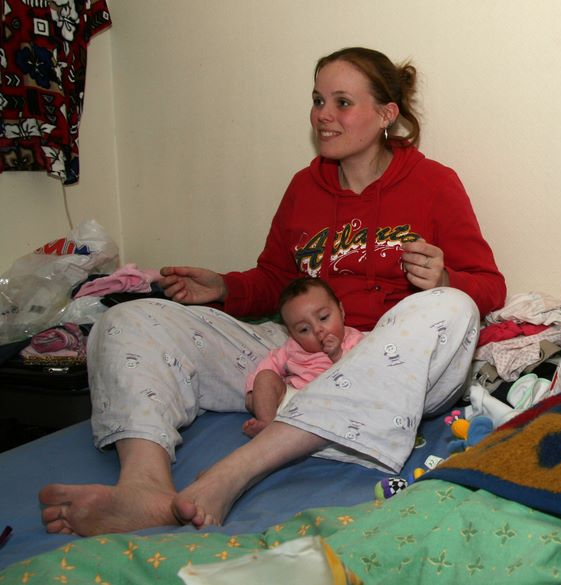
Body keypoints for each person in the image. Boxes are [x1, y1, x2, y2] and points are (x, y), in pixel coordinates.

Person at [39, 46, 506, 536]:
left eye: (342, 102)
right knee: (129, 319)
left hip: (385, 364)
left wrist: (446, 281)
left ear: (386, 113)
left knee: (450, 308)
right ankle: (143, 485)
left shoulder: (434, 184)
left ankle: (234, 472)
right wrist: (225, 287)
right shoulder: (305, 188)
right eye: (318, 100)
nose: (323, 115)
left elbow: (490, 286)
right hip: (297, 356)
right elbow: (277, 282)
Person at [242, 276, 364, 438]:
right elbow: (268, 365)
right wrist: (254, 393)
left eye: (323, 317)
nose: (318, 330)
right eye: (304, 329)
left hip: (333, 403)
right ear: (292, 334)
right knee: (265, 377)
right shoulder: (293, 347)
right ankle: (267, 426)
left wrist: (338, 355)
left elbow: (362, 376)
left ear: (341, 311)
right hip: (294, 399)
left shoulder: (356, 340)